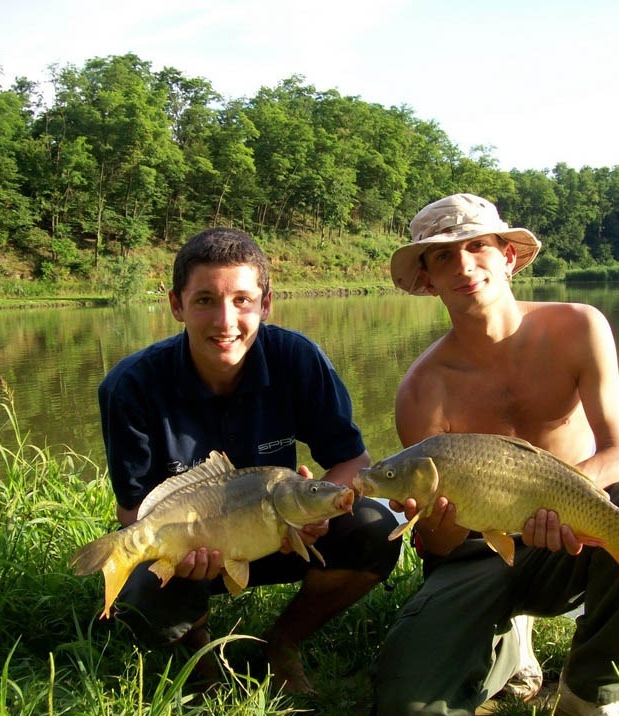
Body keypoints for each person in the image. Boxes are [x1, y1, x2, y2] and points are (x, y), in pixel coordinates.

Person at [370, 194, 619, 716]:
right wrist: (432, 520)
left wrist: (561, 502)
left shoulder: (578, 327)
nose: (463, 266)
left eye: (477, 246)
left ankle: (589, 691)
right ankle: (510, 637)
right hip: (476, 553)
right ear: (428, 279)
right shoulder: (422, 389)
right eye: (442, 257)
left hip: (572, 530)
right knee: (404, 715)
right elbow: (437, 546)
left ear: (508, 256)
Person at [98, 226, 401, 692]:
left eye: (242, 300)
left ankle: (283, 642)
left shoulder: (297, 358)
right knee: (139, 594)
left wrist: (313, 514)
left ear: (265, 303)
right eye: (204, 301)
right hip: (192, 544)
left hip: (280, 533)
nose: (225, 321)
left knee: (373, 528)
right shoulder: (130, 386)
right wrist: (184, 552)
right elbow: (132, 511)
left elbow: (351, 461)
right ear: (176, 304)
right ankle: (197, 648)